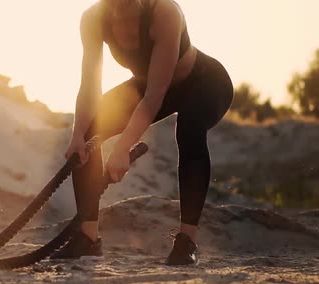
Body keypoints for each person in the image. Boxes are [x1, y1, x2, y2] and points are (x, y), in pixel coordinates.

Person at [50, 0, 233, 265]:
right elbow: (89, 84)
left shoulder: (166, 13)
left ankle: (186, 241)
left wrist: (122, 148)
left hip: (204, 82)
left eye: (134, 17)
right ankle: (88, 238)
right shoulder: (92, 19)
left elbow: (153, 97)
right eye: (121, 19)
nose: (128, 28)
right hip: (149, 86)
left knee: (190, 128)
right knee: (91, 130)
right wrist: (77, 135)